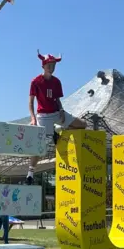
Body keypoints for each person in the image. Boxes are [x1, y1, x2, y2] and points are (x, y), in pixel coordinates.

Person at [26, 51, 89, 185]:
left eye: (54, 65)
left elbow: (58, 100)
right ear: (43, 65)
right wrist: (33, 118)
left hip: (57, 113)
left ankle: (58, 129)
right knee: (40, 146)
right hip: (43, 116)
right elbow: (31, 102)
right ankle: (30, 173)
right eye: (49, 64)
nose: (52, 67)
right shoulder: (35, 81)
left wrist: (61, 110)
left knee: (83, 124)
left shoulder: (57, 82)